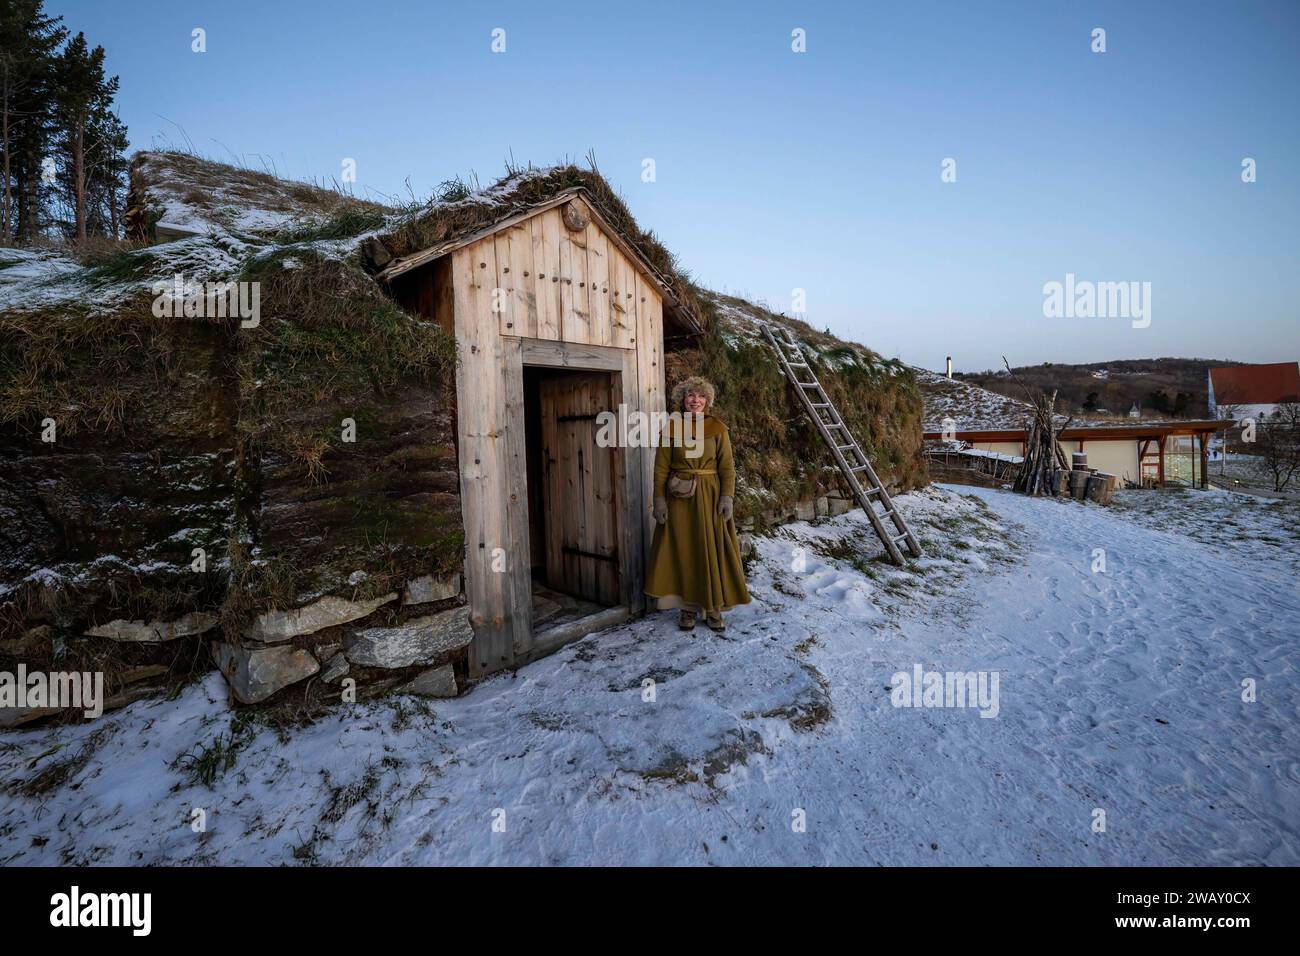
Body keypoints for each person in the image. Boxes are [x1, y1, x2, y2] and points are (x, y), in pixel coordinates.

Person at [644, 376, 751, 630]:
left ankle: (713, 608)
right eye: (690, 395)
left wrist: (727, 497)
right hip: (680, 500)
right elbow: (660, 468)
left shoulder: (717, 428)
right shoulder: (671, 428)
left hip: (711, 497)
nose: (695, 400)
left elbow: (727, 467)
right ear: (683, 400)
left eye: (701, 396)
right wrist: (659, 501)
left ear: (707, 401)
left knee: (711, 550)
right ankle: (688, 609)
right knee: (684, 551)